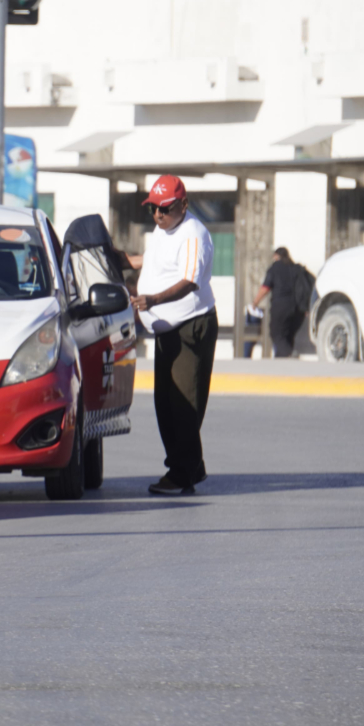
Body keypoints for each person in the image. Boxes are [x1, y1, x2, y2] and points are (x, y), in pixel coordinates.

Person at [121, 175, 217, 496]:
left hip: (190, 326)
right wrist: (126, 261)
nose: (158, 216)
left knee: (183, 402)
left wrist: (153, 300)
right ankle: (192, 466)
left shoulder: (193, 234)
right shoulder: (162, 230)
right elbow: (153, 262)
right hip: (167, 329)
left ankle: (181, 474)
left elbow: (190, 281)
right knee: (164, 401)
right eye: (154, 209)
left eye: (165, 209)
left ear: (183, 205)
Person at [248, 247, 310, 358]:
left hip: (281, 307)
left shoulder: (275, 268)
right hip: (298, 310)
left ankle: (290, 354)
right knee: (288, 336)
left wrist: (255, 302)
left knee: (276, 334)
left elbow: (265, 288)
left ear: (276, 256)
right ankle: (283, 362)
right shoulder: (296, 268)